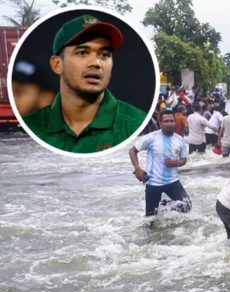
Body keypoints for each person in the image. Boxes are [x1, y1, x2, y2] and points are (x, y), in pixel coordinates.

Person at [22, 14, 147, 153]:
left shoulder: (136, 125)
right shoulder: (32, 126)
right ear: (57, 65)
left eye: (104, 55)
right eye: (82, 53)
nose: (96, 63)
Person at [129, 110, 191, 221]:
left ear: (175, 122)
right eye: (166, 121)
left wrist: (176, 163)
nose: (169, 123)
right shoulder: (151, 137)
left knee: (187, 206)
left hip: (173, 181)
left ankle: (163, 206)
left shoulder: (180, 140)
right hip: (153, 183)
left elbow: (184, 160)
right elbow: (132, 150)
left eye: (172, 121)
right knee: (150, 219)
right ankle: (150, 237)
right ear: (160, 123)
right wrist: (137, 169)